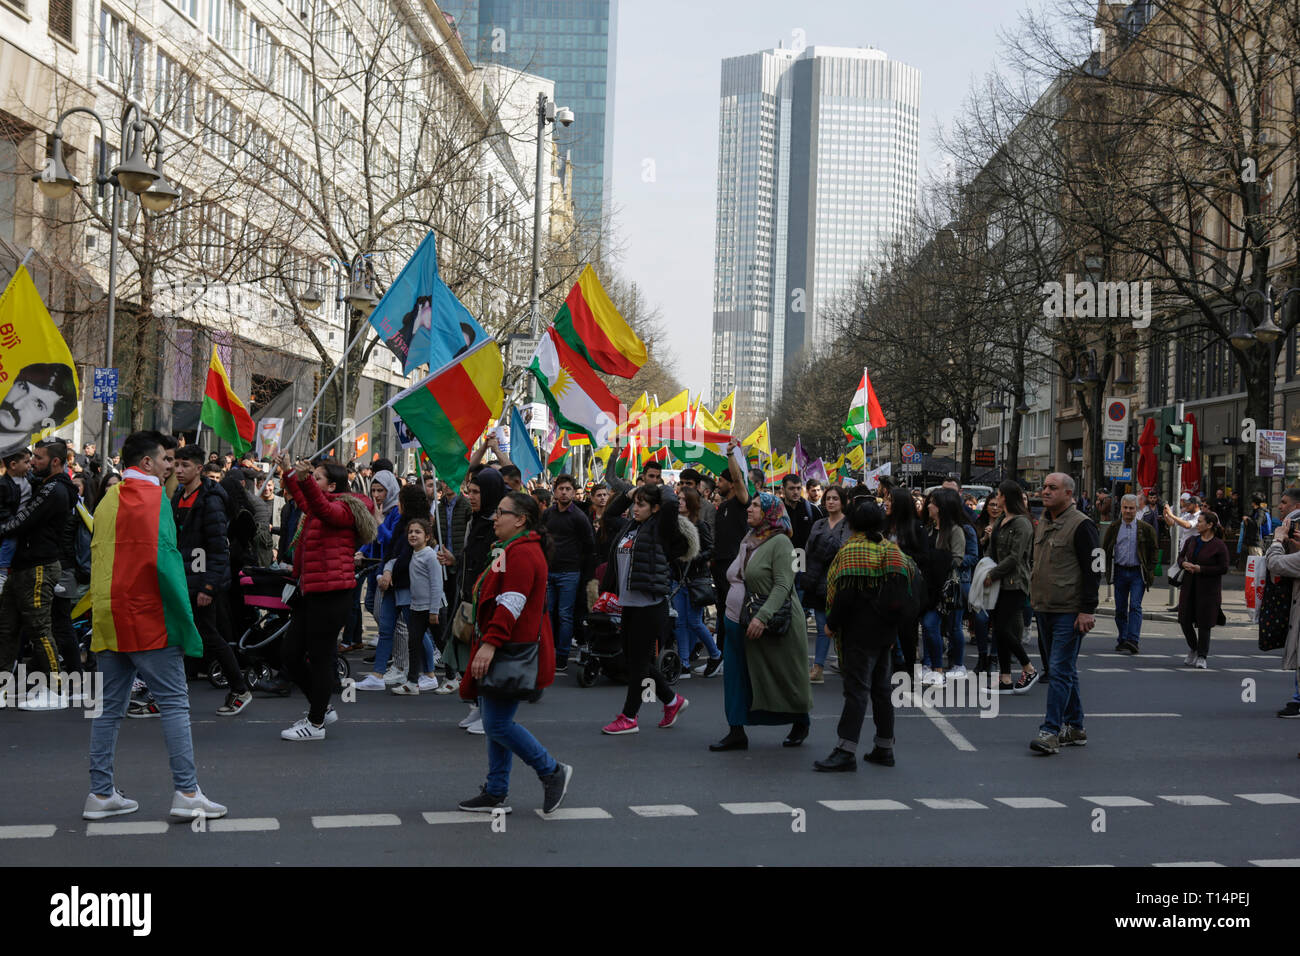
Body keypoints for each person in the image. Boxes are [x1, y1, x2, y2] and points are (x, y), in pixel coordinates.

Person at [84, 430, 227, 822]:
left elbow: (98, 558)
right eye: (166, 459)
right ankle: (186, 791)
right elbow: (167, 565)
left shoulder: (109, 498)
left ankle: (100, 794)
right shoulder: (156, 500)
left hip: (110, 617)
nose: (171, 466)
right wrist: (185, 621)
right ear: (147, 462)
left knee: (108, 710)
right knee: (175, 704)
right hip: (149, 619)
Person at [456, 492, 572, 815]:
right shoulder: (510, 549)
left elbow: (511, 603)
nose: (495, 517)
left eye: (501, 513)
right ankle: (495, 790)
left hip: (509, 649)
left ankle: (551, 770)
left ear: (520, 519)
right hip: (503, 645)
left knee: (496, 725)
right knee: (496, 721)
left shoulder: (522, 553)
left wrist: (490, 644)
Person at [275, 453, 377, 740]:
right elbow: (306, 500)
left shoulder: (346, 509)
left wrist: (304, 480)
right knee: (291, 654)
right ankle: (322, 707)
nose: (312, 481)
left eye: (317, 477)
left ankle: (316, 722)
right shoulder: (320, 505)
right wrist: (288, 473)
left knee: (319, 658)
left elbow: (320, 508)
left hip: (333, 593)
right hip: (311, 591)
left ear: (332, 486)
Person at [814, 500, 916, 771]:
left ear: (853, 524)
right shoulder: (892, 551)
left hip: (858, 632)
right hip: (886, 632)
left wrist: (831, 624)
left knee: (857, 691)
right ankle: (884, 748)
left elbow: (845, 595)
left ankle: (845, 750)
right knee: (882, 691)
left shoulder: (852, 551)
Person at [709, 492, 814, 751]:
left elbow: (783, 585)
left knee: (781, 676)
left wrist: (762, 617)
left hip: (770, 622)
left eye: (756, 506)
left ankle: (800, 720)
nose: (750, 509)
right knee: (735, 677)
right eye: (751, 505)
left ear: (770, 513)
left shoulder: (781, 543)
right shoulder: (749, 538)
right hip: (736, 620)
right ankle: (736, 730)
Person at [599, 483, 690, 735]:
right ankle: (672, 700)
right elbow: (608, 516)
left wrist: (660, 487)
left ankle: (629, 717)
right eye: (634, 504)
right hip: (629, 604)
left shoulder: (662, 527)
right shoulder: (631, 526)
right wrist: (629, 495)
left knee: (639, 663)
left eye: (641, 504)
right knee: (632, 658)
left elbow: (671, 503)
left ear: (655, 508)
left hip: (650, 605)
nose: (635, 509)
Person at [172, 446, 254, 716]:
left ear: (198, 468)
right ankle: (169, 692)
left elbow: (219, 549)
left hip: (203, 584)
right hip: (184, 580)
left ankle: (240, 688)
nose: (179, 470)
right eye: (177, 464)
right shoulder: (177, 496)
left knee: (209, 636)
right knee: (179, 637)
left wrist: (208, 586)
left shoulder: (211, 500)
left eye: (185, 465)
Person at [1028, 473, 1100, 754]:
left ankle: (1050, 731)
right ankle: (1076, 726)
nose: (1045, 491)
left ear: (1069, 493)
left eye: (1052, 488)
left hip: (1068, 611)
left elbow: (1095, 569)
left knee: (1058, 670)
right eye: (1044, 487)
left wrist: (1087, 609)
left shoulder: (1082, 525)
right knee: (1065, 669)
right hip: (1044, 606)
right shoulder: (1045, 520)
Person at [0, 439, 77, 694]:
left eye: (38, 458)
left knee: (39, 629)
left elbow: (25, 519)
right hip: (24, 565)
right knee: (7, 627)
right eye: (32, 457)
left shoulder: (54, 489)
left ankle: (56, 688)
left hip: (39, 567)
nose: (32, 462)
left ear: (55, 462)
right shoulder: (46, 484)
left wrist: (2, 529)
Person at [436, 467, 505, 732]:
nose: (471, 496)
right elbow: (471, 558)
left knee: (483, 663)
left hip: (487, 602)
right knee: (464, 657)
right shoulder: (475, 521)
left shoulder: (498, 525)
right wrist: (456, 561)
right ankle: (476, 708)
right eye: (470, 491)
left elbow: (499, 567)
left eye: (477, 492)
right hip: (467, 599)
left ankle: (490, 715)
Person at [983, 481, 1038, 694]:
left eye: (999, 494)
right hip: (997, 581)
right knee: (998, 628)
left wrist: (993, 573)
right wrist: (986, 567)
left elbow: (1015, 557)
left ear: (1007, 496)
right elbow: (991, 548)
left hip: (1015, 583)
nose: (997, 499)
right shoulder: (1001, 520)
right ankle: (1005, 679)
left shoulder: (1022, 524)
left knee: (1003, 628)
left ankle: (1028, 668)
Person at [541, 474, 594, 674]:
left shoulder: (579, 517)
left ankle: (562, 657)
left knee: (565, 615)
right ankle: (549, 653)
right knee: (548, 613)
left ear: (573, 492)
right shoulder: (548, 515)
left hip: (570, 573)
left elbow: (589, 545)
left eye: (568, 489)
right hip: (550, 571)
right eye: (561, 488)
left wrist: (579, 565)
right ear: (555, 491)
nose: (564, 492)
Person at [389, 518, 443, 694]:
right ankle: (412, 682)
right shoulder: (412, 554)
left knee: (442, 644)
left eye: (418, 532)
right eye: (411, 532)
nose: (413, 535)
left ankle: (451, 677)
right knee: (414, 643)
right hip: (417, 607)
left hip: (433, 608)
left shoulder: (430, 555)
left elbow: (436, 584)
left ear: (427, 536)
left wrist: (434, 610)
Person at [919, 488, 966, 687]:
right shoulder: (928, 528)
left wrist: (933, 559)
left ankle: (938, 669)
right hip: (927, 588)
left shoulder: (955, 530)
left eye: (933, 503)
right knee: (929, 628)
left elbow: (957, 559)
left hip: (943, 589)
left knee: (931, 625)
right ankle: (931, 666)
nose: (929, 505)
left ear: (942, 507)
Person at [673, 486, 722, 677]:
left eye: (683, 500)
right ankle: (684, 663)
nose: (680, 503)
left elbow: (711, 550)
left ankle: (716, 654)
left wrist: (692, 557)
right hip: (677, 580)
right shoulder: (675, 524)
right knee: (680, 623)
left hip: (695, 579)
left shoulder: (700, 525)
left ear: (692, 503)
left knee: (694, 621)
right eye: (678, 499)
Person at [804, 484, 850, 684]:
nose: (830, 502)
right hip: (817, 582)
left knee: (843, 627)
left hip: (840, 582)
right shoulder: (819, 524)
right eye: (828, 499)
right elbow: (808, 550)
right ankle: (818, 667)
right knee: (823, 626)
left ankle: (847, 664)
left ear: (842, 501)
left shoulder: (849, 524)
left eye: (835, 498)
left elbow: (846, 552)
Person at [1103, 493, 1158, 654]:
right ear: (1121, 508)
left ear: (1137, 509)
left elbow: (1154, 550)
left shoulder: (1145, 529)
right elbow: (1105, 549)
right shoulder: (1114, 528)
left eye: (1131, 508)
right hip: (1119, 572)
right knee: (1120, 609)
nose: (1128, 511)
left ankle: (1133, 640)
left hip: (1137, 573)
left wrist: (1150, 570)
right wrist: (1105, 570)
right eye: (1125, 508)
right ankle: (1123, 638)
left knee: (1135, 606)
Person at [710, 446, 751, 653]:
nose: (717, 484)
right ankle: (721, 652)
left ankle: (735, 651)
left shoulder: (741, 503)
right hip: (719, 566)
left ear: (731, 484)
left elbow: (738, 479)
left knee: (734, 611)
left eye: (720, 481)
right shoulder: (723, 507)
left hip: (735, 566)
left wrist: (730, 455)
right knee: (722, 610)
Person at [1175, 510, 1228, 668]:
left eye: (1200, 521)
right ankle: (1194, 648)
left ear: (1210, 525)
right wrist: (1183, 563)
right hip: (1189, 586)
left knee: (1204, 623)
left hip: (1208, 590)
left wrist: (1201, 569)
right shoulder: (1192, 540)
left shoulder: (1219, 545)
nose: (1197, 524)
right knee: (1184, 620)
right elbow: (1181, 557)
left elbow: (1223, 568)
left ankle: (1202, 656)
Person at [884, 486, 926, 677]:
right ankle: (893, 668)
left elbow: (923, 556)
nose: (886, 503)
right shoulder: (883, 525)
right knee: (888, 630)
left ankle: (910, 670)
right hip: (886, 585)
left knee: (907, 633)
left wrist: (899, 553)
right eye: (886, 499)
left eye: (890, 500)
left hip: (908, 588)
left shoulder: (915, 526)